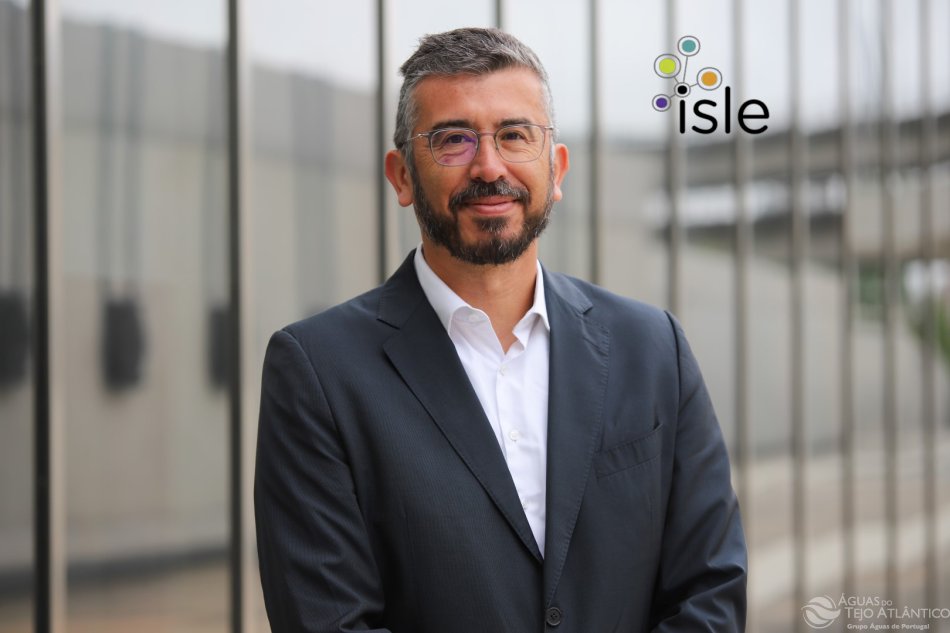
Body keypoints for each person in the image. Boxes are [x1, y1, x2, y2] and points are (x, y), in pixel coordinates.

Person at [255, 27, 746, 633]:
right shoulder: (317, 371)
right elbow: (329, 621)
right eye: (452, 140)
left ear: (556, 168)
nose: (489, 167)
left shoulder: (653, 349)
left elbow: (710, 591)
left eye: (515, 135)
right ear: (402, 176)